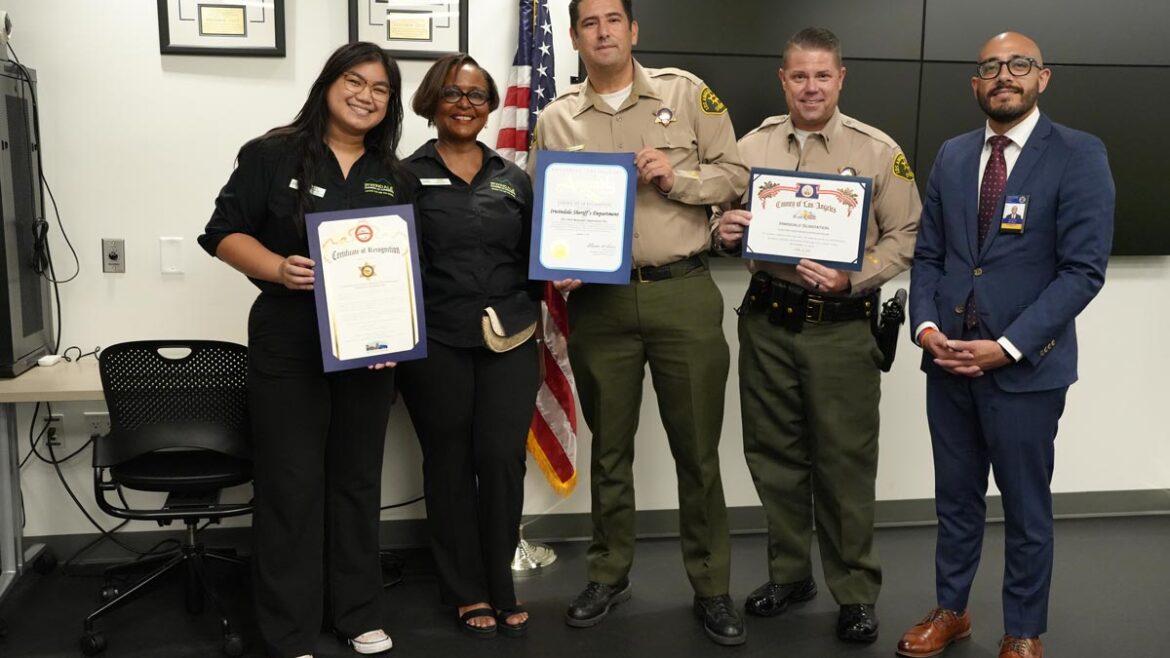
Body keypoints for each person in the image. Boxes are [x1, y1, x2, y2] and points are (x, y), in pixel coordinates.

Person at [529, 0, 749, 646]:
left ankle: (711, 586)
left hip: (681, 294)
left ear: (633, 30)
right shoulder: (556, 116)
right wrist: (558, 260)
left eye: (612, 20)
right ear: (574, 37)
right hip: (599, 303)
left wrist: (675, 177)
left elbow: (735, 176)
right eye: (589, 23)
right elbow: (548, 207)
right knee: (612, 449)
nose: (602, 31)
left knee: (697, 453)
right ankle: (608, 571)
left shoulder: (687, 95)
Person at [898, 32, 1113, 658]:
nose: (1004, 75)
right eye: (990, 67)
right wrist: (927, 328)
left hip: (1026, 370)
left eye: (1018, 65)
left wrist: (1010, 345)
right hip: (949, 365)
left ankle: (1023, 629)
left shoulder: (1078, 154)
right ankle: (952, 611)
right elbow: (930, 256)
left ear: (1042, 77)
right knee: (955, 501)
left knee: (1025, 508)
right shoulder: (954, 155)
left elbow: (1083, 271)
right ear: (975, 84)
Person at [198, 42, 410, 658]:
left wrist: (395, 332)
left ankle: (356, 612)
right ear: (328, 84)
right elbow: (222, 233)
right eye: (354, 81)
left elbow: (404, 264)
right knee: (290, 485)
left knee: (355, 481)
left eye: (380, 88)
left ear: (390, 104)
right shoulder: (272, 152)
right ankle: (289, 630)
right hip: (288, 342)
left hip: (368, 350)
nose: (366, 95)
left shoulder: (392, 174)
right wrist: (276, 266)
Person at [715, 27, 921, 644]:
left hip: (840, 329)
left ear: (840, 78)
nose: (810, 87)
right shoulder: (750, 148)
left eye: (822, 75)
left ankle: (855, 592)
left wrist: (856, 275)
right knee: (773, 456)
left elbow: (907, 235)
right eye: (799, 76)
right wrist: (724, 228)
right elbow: (716, 221)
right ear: (783, 80)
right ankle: (789, 575)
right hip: (767, 322)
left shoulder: (878, 151)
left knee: (844, 466)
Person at [397, 53, 540, 639]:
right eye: (453, 94)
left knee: (502, 459)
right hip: (435, 339)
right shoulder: (401, 175)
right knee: (450, 463)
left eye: (477, 95)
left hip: (511, 335)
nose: (465, 104)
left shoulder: (516, 179)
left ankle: (500, 582)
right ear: (432, 101)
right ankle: (464, 589)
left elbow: (538, 261)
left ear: (491, 107)